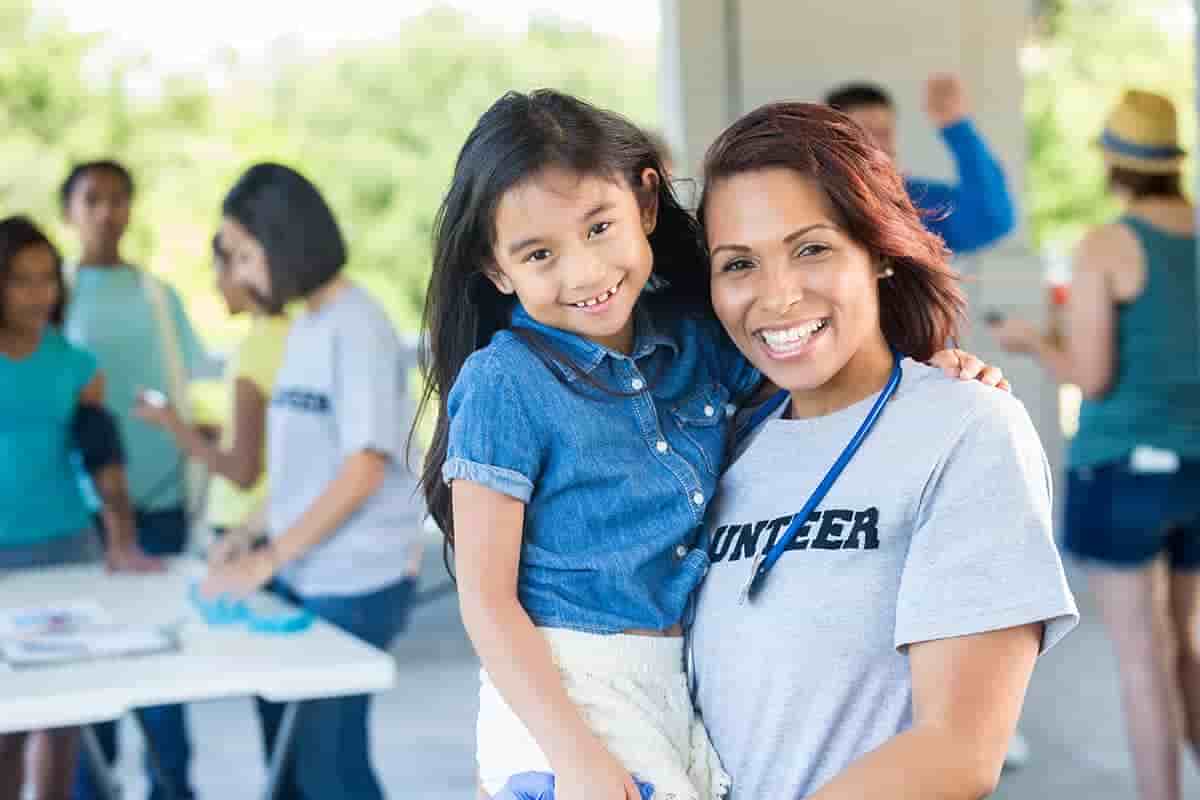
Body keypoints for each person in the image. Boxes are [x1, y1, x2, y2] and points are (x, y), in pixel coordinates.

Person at [417, 89, 1007, 800]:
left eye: (599, 228)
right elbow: (486, 602)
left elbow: (813, 362)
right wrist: (573, 755)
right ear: (496, 269)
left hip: (671, 684)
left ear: (645, 202)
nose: (585, 273)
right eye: (539, 254)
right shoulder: (505, 381)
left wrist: (932, 369)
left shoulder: (694, 339)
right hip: (568, 687)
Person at [681, 100, 1078, 800]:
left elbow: (957, 752)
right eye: (738, 263)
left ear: (880, 252)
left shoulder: (965, 429)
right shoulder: (720, 448)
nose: (777, 296)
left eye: (811, 249)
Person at [992, 89, 1199, 800]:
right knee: (1186, 645)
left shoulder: (1108, 245)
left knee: (1143, 660)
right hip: (1195, 469)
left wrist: (1030, 341)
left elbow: (1093, 376)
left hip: (1123, 472)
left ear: (1113, 162)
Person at [201, 162, 421, 800]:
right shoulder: (306, 326)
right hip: (306, 572)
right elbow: (308, 466)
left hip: (356, 579)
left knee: (329, 768)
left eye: (246, 256)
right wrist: (248, 533)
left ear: (284, 242)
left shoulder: (358, 326)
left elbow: (362, 469)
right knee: (297, 762)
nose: (241, 274)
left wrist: (266, 559)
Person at [60, 159, 209, 800]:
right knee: (87, 673)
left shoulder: (157, 295)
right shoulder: (53, 297)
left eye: (118, 198)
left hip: (161, 500)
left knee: (165, 670)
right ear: (69, 211)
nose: (107, 211)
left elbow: (184, 385)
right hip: (82, 509)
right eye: (92, 199)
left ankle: (173, 789)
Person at [0, 216, 160, 800]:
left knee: (62, 719)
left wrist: (123, 541)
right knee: (6, 725)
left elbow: (103, 462)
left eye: (48, 279)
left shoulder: (77, 365)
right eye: (22, 280)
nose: (39, 293)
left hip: (66, 547)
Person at [136, 233, 290, 540]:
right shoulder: (294, 334)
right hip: (279, 519)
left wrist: (172, 424)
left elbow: (243, 473)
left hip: (243, 527)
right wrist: (215, 433)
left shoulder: (252, 354)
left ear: (245, 268)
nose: (216, 283)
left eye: (218, 269)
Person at [826, 75, 1016, 255]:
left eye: (884, 132)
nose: (878, 144)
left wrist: (957, 127)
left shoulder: (918, 201)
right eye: (865, 132)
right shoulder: (818, 201)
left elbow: (989, 221)